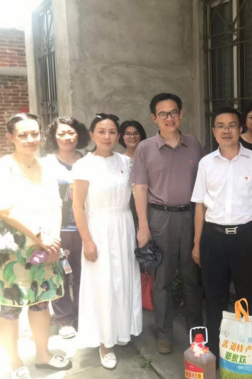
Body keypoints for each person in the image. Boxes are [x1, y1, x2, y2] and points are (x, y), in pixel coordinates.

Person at [191, 107, 252, 356]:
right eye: (221, 126)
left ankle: (246, 354)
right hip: (213, 238)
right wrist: (197, 243)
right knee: (214, 298)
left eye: (232, 125)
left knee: (248, 298)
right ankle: (215, 353)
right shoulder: (206, 163)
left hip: (247, 237)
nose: (226, 131)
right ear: (214, 131)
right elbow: (199, 205)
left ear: (240, 129)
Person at [131, 93, 204, 355]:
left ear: (181, 114)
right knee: (162, 279)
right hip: (160, 218)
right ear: (154, 117)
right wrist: (143, 226)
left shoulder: (194, 144)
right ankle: (164, 332)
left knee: (192, 277)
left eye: (174, 112)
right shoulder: (145, 148)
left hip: (191, 215)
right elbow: (140, 188)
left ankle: (197, 331)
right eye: (163, 114)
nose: (169, 118)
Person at [0, 113, 72, 379]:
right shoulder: (4, 167)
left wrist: (54, 240)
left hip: (45, 248)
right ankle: (15, 362)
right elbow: (6, 210)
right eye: (23, 134)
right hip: (14, 249)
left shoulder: (46, 167)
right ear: (11, 137)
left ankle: (43, 354)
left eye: (34, 133)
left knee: (41, 302)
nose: (30, 139)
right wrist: (42, 236)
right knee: (10, 307)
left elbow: (56, 205)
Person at [73, 113, 142, 369]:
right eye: (101, 132)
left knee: (122, 280)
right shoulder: (84, 165)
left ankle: (122, 329)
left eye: (112, 132)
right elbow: (77, 206)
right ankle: (105, 342)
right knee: (102, 283)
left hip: (123, 226)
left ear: (118, 135)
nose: (107, 136)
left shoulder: (126, 162)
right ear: (92, 135)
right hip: (98, 229)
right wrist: (87, 241)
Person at [42, 116, 90, 340]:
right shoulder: (46, 164)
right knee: (60, 273)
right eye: (61, 133)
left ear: (79, 135)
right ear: (54, 137)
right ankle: (63, 318)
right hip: (59, 228)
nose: (67, 137)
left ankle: (82, 313)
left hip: (86, 227)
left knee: (84, 273)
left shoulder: (88, 161)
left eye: (71, 132)